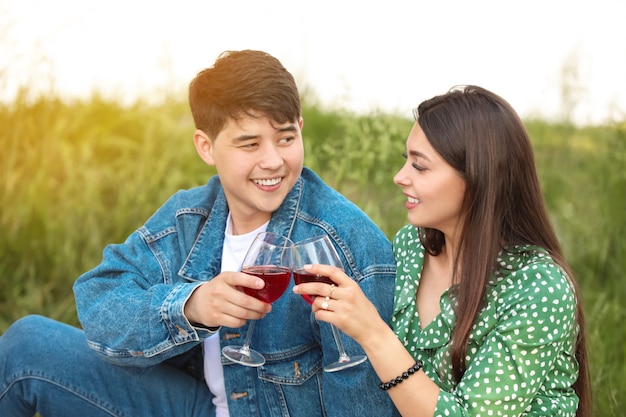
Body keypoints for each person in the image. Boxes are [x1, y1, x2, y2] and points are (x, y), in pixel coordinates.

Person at [0, 50, 399, 416]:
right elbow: (100, 298)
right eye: (249, 144)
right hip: (200, 406)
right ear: (206, 148)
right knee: (27, 344)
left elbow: (361, 404)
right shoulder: (190, 215)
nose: (273, 161)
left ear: (301, 128)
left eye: (286, 138)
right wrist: (189, 307)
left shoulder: (345, 244)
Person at [294, 85, 591, 417]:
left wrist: (373, 332)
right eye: (405, 160)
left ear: (478, 177)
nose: (399, 177)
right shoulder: (411, 246)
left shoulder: (538, 288)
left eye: (419, 166)